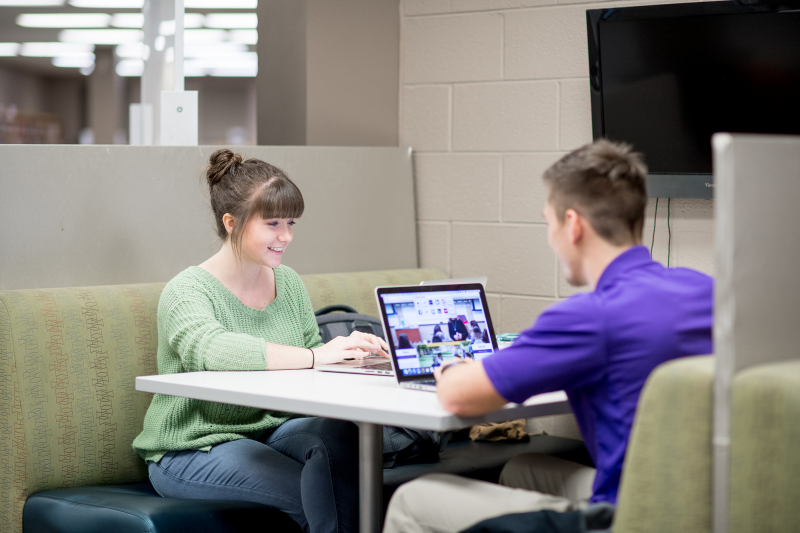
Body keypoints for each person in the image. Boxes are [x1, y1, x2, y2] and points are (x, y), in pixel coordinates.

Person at [382, 140, 713, 533]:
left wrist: (453, 367)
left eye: (548, 222)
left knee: (411, 499)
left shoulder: (590, 315)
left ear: (573, 225)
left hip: (629, 519)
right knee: (523, 468)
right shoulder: (704, 289)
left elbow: (458, 396)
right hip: (702, 507)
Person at [132, 149, 388, 533]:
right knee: (326, 499)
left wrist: (355, 359)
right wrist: (316, 355)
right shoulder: (187, 291)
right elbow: (212, 351)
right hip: (196, 445)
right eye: (272, 223)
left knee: (338, 436)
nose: (286, 236)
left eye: (290, 222)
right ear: (231, 222)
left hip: (270, 430)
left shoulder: (288, 282)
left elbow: (311, 366)